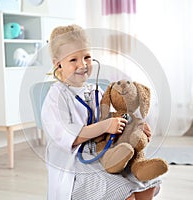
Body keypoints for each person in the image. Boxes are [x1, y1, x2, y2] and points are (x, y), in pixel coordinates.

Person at [41, 24, 161, 200]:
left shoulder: (94, 90)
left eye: (87, 57)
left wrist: (135, 125)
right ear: (57, 64)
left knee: (146, 184)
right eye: (73, 60)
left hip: (102, 151)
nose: (82, 65)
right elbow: (71, 136)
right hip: (73, 162)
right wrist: (105, 126)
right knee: (122, 192)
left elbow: (114, 117)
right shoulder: (56, 96)